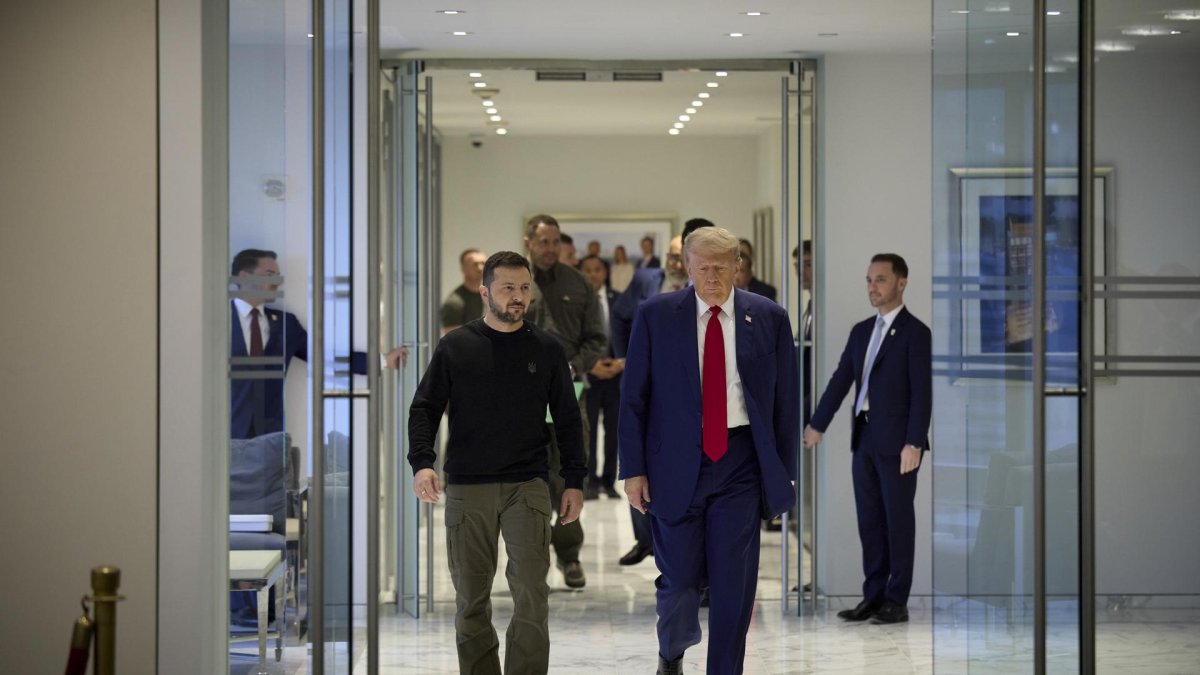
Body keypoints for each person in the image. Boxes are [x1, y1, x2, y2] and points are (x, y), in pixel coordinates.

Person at [619, 226, 800, 675]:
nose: (713, 276)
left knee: (732, 587)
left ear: (738, 266)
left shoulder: (770, 317)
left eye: (722, 267)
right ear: (687, 267)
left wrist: (784, 475)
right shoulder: (656, 315)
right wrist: (633, 470)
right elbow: (633, 398)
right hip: (674, 466)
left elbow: (785, 404)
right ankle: (671, 652)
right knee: (679, 582)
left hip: (740, 463)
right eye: (703, 267)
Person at [408, 251, 585, 675]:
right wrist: (422, 462)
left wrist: (575, 481)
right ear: (485, 291)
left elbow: (567, 418)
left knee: (531, 595)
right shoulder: (456, 346)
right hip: (468, 487)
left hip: (528, 484)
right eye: (508, 288)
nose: (518, 297)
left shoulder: (546, 348)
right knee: (471, 597)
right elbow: (425, 408)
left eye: (524, 288)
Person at [803, 253, 931, 625]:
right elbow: (841, 381)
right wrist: (817, 424)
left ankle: (897, 599)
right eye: (869, 280)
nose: (873, 287)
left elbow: (922, 394)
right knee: (870, 521)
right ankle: (873, 597)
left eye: (880, 280)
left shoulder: (915, 333)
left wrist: (915, 442)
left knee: (898, 522)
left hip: (899, 444)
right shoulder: (862, 331)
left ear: (901, 283)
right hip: (865, 439)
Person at [229, 248, 407, 439]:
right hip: (222, 438)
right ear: (244, 277)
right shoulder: (215, 321)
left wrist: (383, 361)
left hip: (269, 439)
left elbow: (325, 357)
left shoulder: (286, 324)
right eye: (269, 275)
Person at [524, 214, 613, 589]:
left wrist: (573, 367)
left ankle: (569, 556)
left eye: (555, 241)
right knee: (528, 481)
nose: (549, 249)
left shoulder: (578, 284)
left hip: (569, 395)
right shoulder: (515, 282)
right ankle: (531, 562)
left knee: (567, 475)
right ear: (528, 241)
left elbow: (597, 339)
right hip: (523, 399)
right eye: (542, 242)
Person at [608, 234, 689, 566]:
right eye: (669, 256)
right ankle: (644, 539)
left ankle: (669, 545)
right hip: (646, 385)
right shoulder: (646, 280)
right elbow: (619, 314)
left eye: (679, 256)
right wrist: (626, 357)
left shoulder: (703, 290)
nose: (674, 262)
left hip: (683, 394)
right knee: (635, 458)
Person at [579, 254, 622, 500]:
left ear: (605, 273)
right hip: (589, 375)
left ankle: (609, 481)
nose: (593, 274)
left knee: (613, 430)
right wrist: (591, 364)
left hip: (616, 374)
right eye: (588, 270)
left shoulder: (618, 300)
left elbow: (628, 333)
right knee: (589, 430)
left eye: (597, 270)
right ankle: (591, 482)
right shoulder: (578, 302)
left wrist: (621, 362)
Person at [440, 248, 487, 335]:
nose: (480, 268)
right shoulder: (454, 303)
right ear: (463, 268)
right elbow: (455, 340)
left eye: (483, 264)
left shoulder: (491, 297)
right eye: (475, 264)